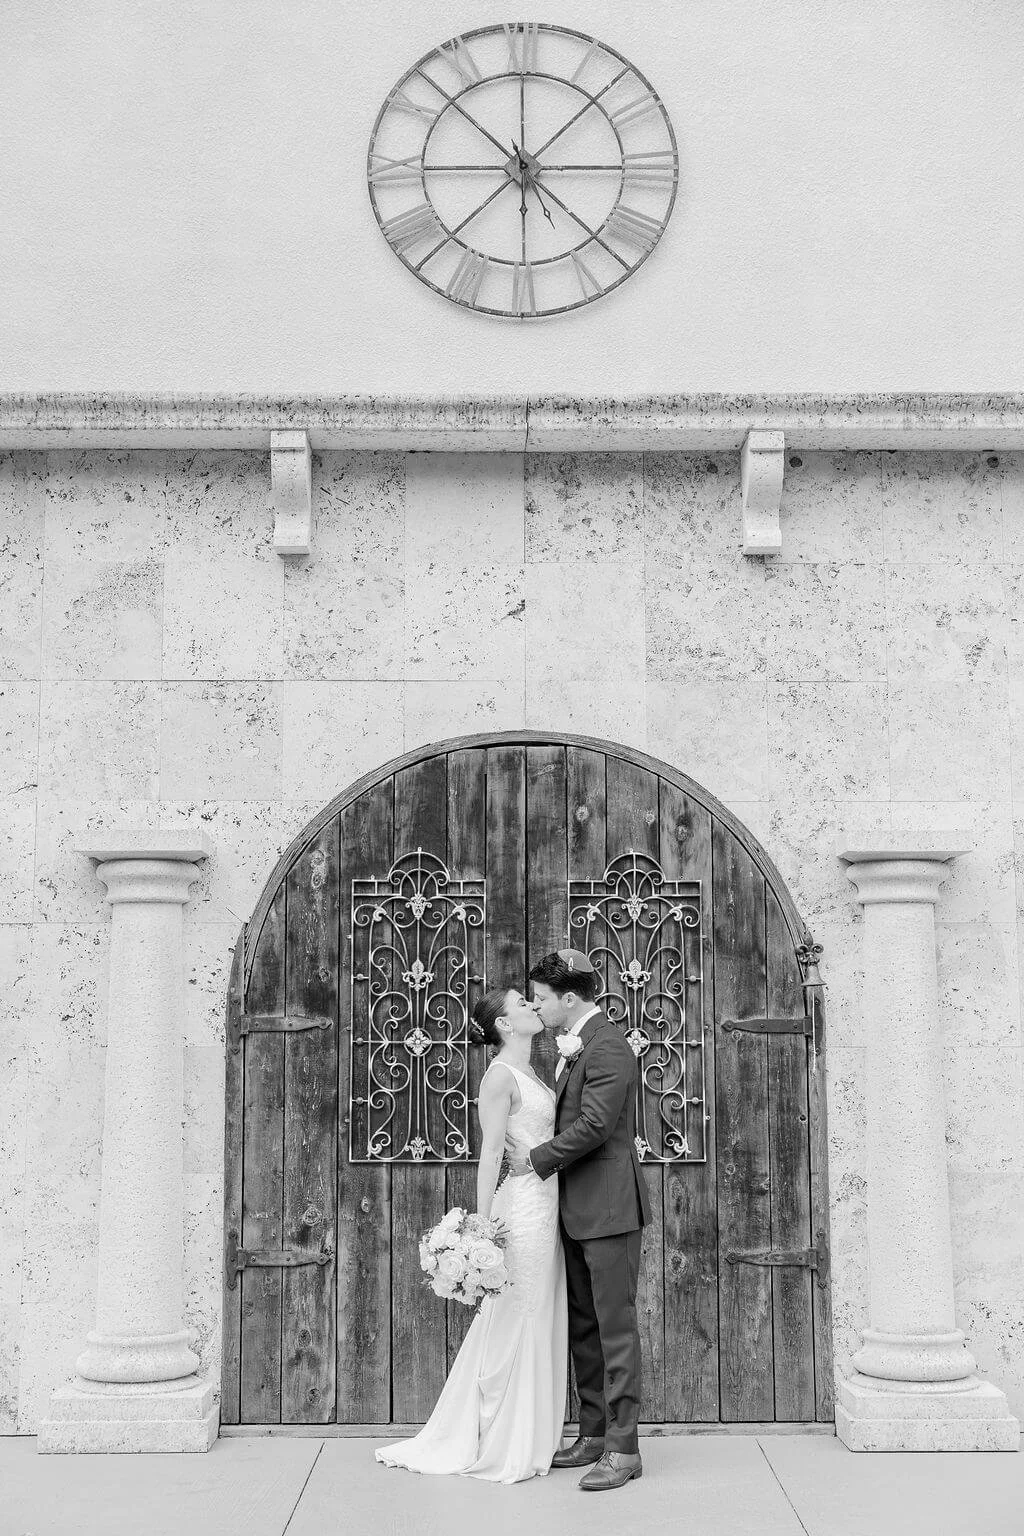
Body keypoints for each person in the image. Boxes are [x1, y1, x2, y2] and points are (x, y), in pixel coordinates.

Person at [375, 987, 568, 1484]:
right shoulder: (499, 1076)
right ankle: (502, 1437)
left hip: (547, 1203)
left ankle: (533, 1431)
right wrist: (482, 1226)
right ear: (504, 1025)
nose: (531, 1006)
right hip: (523, 1206)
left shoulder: (532, 1072)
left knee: (539, 1311)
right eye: (521, 1004)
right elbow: (489, 1155)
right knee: (517, 1314)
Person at [506, 948, 651, 1491]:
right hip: (575, 1210)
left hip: (610, 1210)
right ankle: (593, 1432)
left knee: (615, 1330)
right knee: (586, 1329)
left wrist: (535, 1160)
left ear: (570, 999)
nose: (537, 1008)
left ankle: (624, 1448)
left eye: (542, 999)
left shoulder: (608, 1046)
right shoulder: (577, 1044)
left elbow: (593, 1125)